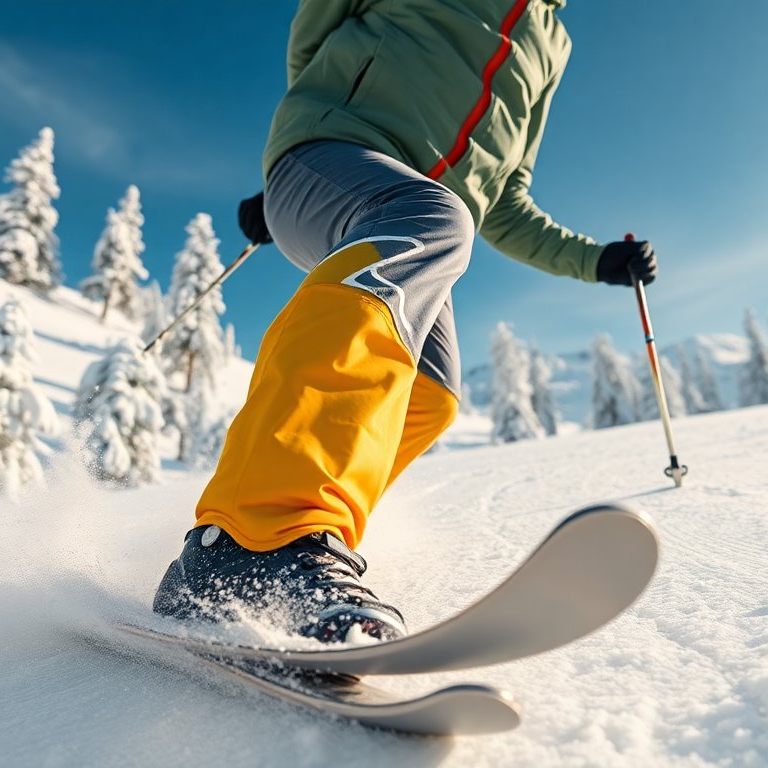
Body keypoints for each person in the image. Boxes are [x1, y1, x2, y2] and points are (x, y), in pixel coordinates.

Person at [152, 0, 657, 643]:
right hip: (338, 155)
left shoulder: (551, 42)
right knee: (437, 217)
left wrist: (597, 261)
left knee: (431, 394)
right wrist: (305, 147)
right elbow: (313, 41)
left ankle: (300, 539)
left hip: (421, 224)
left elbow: (502, 199)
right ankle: (255, 538)